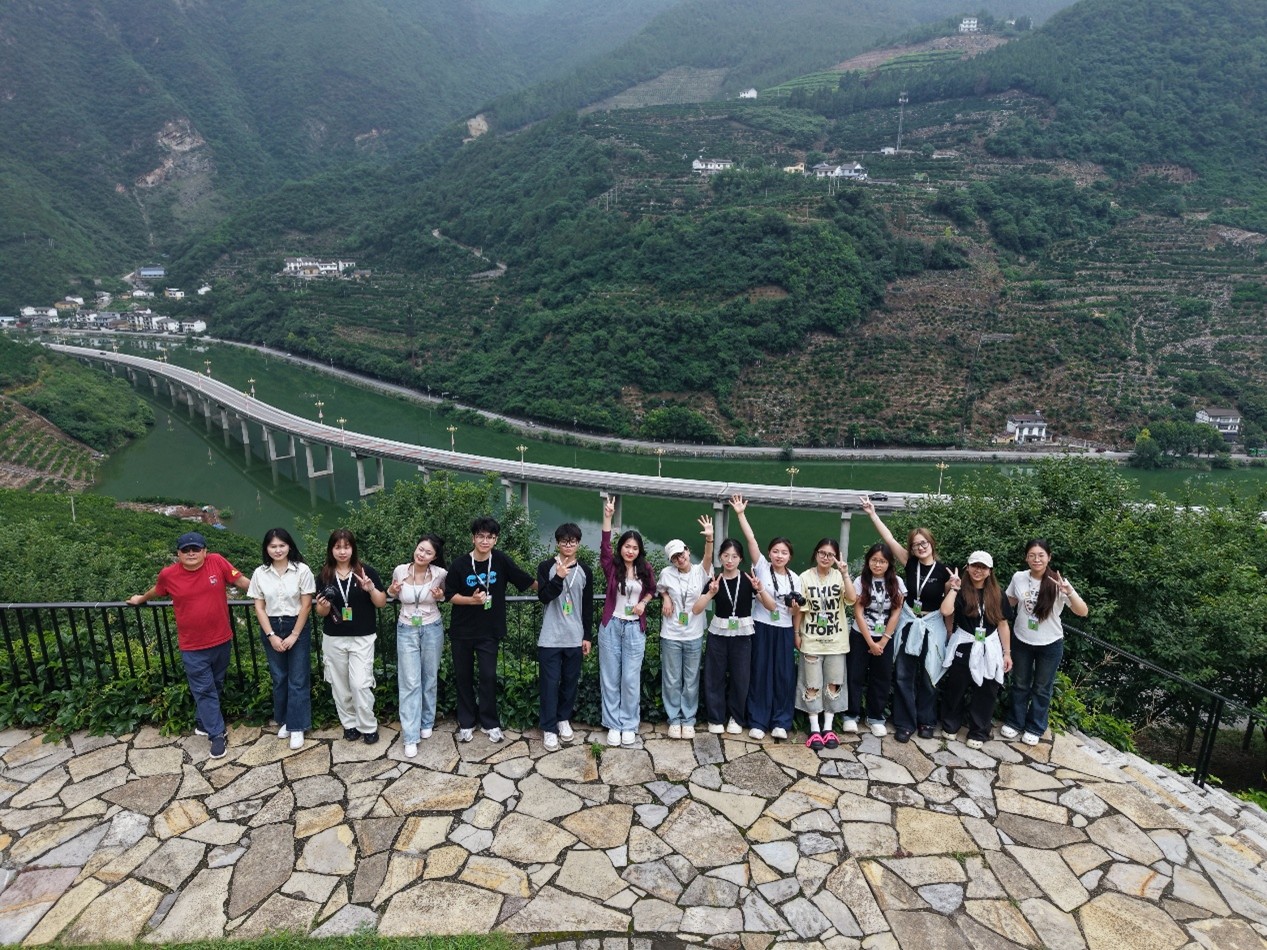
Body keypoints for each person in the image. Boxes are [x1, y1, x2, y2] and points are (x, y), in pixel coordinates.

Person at [127, 530, 251, 760]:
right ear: (179, 553)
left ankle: (203, 722)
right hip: (192, 646)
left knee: (215, 684)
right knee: (204, 689)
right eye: (186, 550)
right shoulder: (169, 574)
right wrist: (140, 599)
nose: (191, 553)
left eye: (196, 549)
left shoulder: (217, 562)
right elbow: (157, 590)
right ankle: (217, 734)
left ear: (205, 551)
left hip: (222, 640)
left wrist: (271, 595)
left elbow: (242, 582)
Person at [860, 496, 951, 742]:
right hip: (909, 622)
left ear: (931, 543)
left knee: (930, 674)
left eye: (924, 543)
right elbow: (889, 539)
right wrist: (873, 514)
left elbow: (949, 605)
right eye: (915, 545)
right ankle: (904, 723)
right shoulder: (910, 564)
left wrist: (953, 590)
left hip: (932, 625)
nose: (920, 548)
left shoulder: (944, 571)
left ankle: (926, 721)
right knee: (903, 674)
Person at [443, 516, 536, 743]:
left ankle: (489, 722)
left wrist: (552, 588)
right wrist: (471, 600)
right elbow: (449, 595)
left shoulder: (501, 560)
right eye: (481, 536)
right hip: (462, 631)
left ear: (496, 540)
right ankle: (466, 722)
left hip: (489, 631)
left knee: (488, 676)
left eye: (490, 537)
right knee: (463, 677)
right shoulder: (460, 564)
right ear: (473, 538)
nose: (485, 541)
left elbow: (524, 579)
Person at [1003, 539, 1089, 746]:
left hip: (1050, 643)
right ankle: (1015, 722)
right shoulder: (1019, 577)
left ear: (1049, 557)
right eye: (1032, 555)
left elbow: (1082, 611)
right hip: (1021, 639)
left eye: (1041, 555)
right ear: (1026, 558)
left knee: (1042, 687)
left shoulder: (1059, 583)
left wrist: (1069, 592)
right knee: (1020, 683)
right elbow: (1008, 601)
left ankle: (1035, 727)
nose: (1037, 559)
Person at [732, 494, 801, 741]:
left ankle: (781, 721)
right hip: (761, 626)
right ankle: (758, 720)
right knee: (760, 673)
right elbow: (751, 539)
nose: (779, 555)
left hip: (784, 629)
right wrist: (741, 514)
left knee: (783, 676)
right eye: (775, 551)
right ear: (769, 553)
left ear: (790, 556)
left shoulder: (796, 579)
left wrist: (796, 628)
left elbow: (796, 613)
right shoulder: (761, 566)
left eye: (784, 552)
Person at [314, 529, 387, 744]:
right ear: (331, 550)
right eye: (338, 547)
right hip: (334, 637)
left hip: (362, 637)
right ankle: (349, 724)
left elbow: (381, 602)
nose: (342, 551)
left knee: (360, 683)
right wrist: (323, 605)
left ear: (353, 548)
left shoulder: (366, 571)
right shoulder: (325, 575)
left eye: (346, 547)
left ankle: (368, 725)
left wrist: (370, 588)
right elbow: (321, 612)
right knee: (340, 685)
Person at [247, 528, 316, 752]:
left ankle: (298, 727)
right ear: (266, 548)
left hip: (296, 624)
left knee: (298, 677)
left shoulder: (302, 570)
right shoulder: (260, 573)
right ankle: (286, 720)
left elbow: (306, 605)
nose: (278, 550)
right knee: (279, 677)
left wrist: (294, 634)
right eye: (273, 546)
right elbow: (259, 607)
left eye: (282, 545)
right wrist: (271, 635)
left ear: (289, 546)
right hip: (272, 626)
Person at [598, 496, 657, 747]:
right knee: (610, 677)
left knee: (630, 679)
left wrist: (644, 602)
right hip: (612, 625)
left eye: (634, 547)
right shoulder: (612, 567)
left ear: (639, 550)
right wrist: (608, 517)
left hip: (634, 628)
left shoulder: (645, 569)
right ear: (621, 547)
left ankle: (629, 724)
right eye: (626, 546)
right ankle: (613, 724)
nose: (630, 551)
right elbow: (604, 547)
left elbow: (652, 589)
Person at [939, 552, 1012, 749]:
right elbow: (945, 611)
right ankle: (950, 724)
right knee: (956, 686)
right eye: (974, 566)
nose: (978, 570)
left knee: (987, 689)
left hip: (989, 645)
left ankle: (979, 731)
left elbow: (1003, 624)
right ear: (968, 567)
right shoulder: (960, 590)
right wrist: (954, 589)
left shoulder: (998, 594)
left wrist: (1007, 653)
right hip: (965, 642)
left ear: (990, 571)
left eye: (983, 567)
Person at [692, 539, 763, 735]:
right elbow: (696, 609)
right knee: (714, 676)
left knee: (741, 677)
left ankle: (736, 718)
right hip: (718, 633)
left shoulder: (748, 579)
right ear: (720, 557)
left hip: (742, 634)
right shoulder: (715, 580)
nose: (730, 560)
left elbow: (770, 606)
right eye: (726, 556)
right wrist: (710, 593)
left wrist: (759, 589)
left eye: (734, 556)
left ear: (740, 559)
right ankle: (715, 717)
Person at [387, 534, 448, 758]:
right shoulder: (400, 571)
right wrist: (392, 590)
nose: (422, 554)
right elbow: (391, 594)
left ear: (435, 557)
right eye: (420, 549)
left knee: (429, 677)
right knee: (410, 681)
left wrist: (440, 596)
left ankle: (427, 721)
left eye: (428, 552)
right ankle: (410, 736)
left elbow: (443, 597)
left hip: (432, 627)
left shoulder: (440, 574)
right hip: (406, 628)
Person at [795, 538, 857, 751]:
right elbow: (800, 609)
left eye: (831, 554)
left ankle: (828, 728)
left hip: (836, 641)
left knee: (834, 683)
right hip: (811, 639)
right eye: (822, 553)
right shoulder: (805, 577)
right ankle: (814, 728)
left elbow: (852, 598)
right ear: (816, 553)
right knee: (811, 685)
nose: (826, 557)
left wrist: (845, 573)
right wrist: (796, 633)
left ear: (836, 557)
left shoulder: (839, 576)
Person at [536, 522, 594, 750]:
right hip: (550, 637)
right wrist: (558, 577)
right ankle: (549, 728)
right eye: (564, 541)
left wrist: (587, 636)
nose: (568, 545)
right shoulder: (546, 567)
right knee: (549, 684)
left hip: (574, 637)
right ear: (557, 543)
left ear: (578, 544)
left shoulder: (585, 571)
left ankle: (563, 720)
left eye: (572, 542)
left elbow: (587, 606)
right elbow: (543, 597)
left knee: (570, 682)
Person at [657, 516, 715, 738]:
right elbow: (661, 588)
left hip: (693, 633)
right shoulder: (666, 573)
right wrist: (665, 598)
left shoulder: (700, 572)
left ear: (688, 551)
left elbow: (708, 557)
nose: (679, 559)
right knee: (672, 679)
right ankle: (674, 719)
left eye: (681, 554)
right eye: (675, 557)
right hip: (671, 633)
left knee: (691, 679)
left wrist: (709, 538)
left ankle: (688, 719)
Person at [848, 542, 906, 737]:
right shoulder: (860, 581)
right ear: (868, 561)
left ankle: (875, 717)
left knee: (881, 677)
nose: (878, 564)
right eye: (874, 560)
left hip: (885, 637)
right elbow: (858, 612)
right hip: (860, 635)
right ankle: (851, 714)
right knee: (855, 675)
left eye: (882, 561)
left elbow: (896, 612)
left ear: (889, 563)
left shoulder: (897, 582)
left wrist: (882, 641)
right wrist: (870, 642)